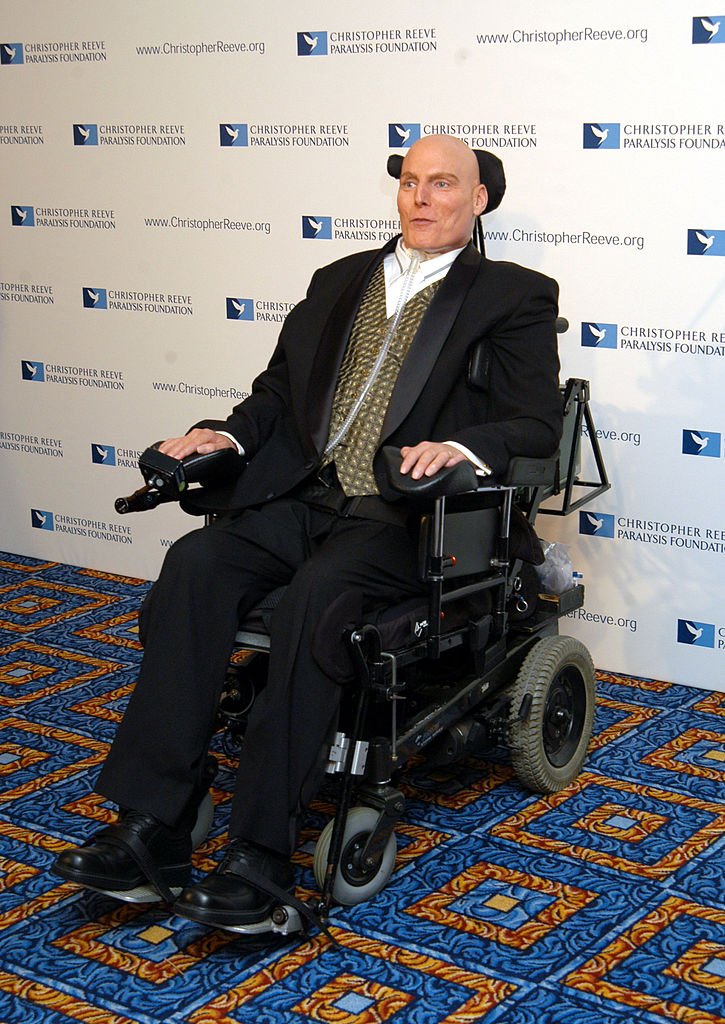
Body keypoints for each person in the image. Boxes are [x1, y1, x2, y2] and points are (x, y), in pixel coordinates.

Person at [54, 135, 562, 929]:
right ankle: (152, 823)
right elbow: (275, 396)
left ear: (478, 200)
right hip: (304, 494)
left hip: (405, 511)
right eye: (410, 183)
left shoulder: (511, 294)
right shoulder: (337, 280)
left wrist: (460, 448)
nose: (421, 197)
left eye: (442, 184)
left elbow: (532, 420)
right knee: (196, 564)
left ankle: (259, 853)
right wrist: (220, 436)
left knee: (316, 601)